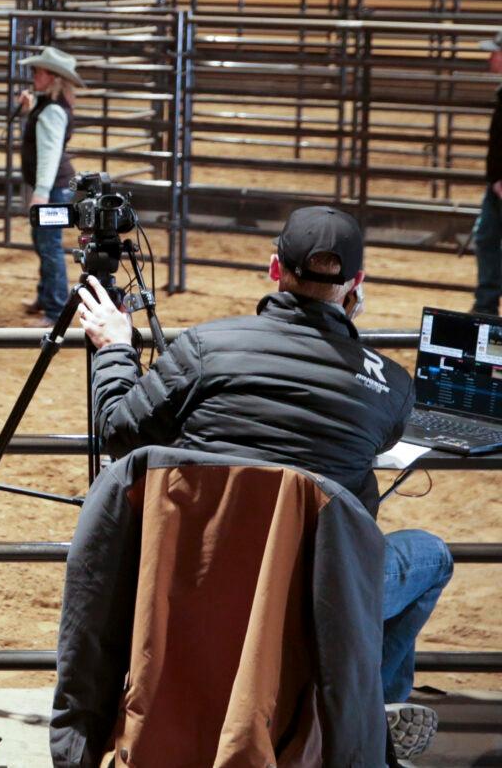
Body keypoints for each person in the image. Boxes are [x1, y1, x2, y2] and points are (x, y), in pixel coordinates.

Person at [76, 204, 450, 760]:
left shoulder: (205, 348)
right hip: (319, 601)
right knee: (431, 555)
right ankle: (371, 707)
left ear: (276, 269)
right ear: (357, 285)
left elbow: (119, 429)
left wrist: (115, 350)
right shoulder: (389, 386)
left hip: (201, 583)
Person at [18, 45, 83, 319]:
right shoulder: (50, 106)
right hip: (55, 187)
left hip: (54, 189)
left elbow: (49, 153)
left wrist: (41, 192)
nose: (33, 76)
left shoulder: (52, 111)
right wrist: (27, 112)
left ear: (51, 76)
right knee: (43, 241)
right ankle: (47, 297)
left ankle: (56, 309)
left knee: (49, 245)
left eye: (37, 71)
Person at [473, 30, 502, 317]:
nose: (490, 57)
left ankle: (486, 305)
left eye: (495, 51)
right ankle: (486, 305)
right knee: (486, 238)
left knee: (487, 238)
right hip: (496, 184)